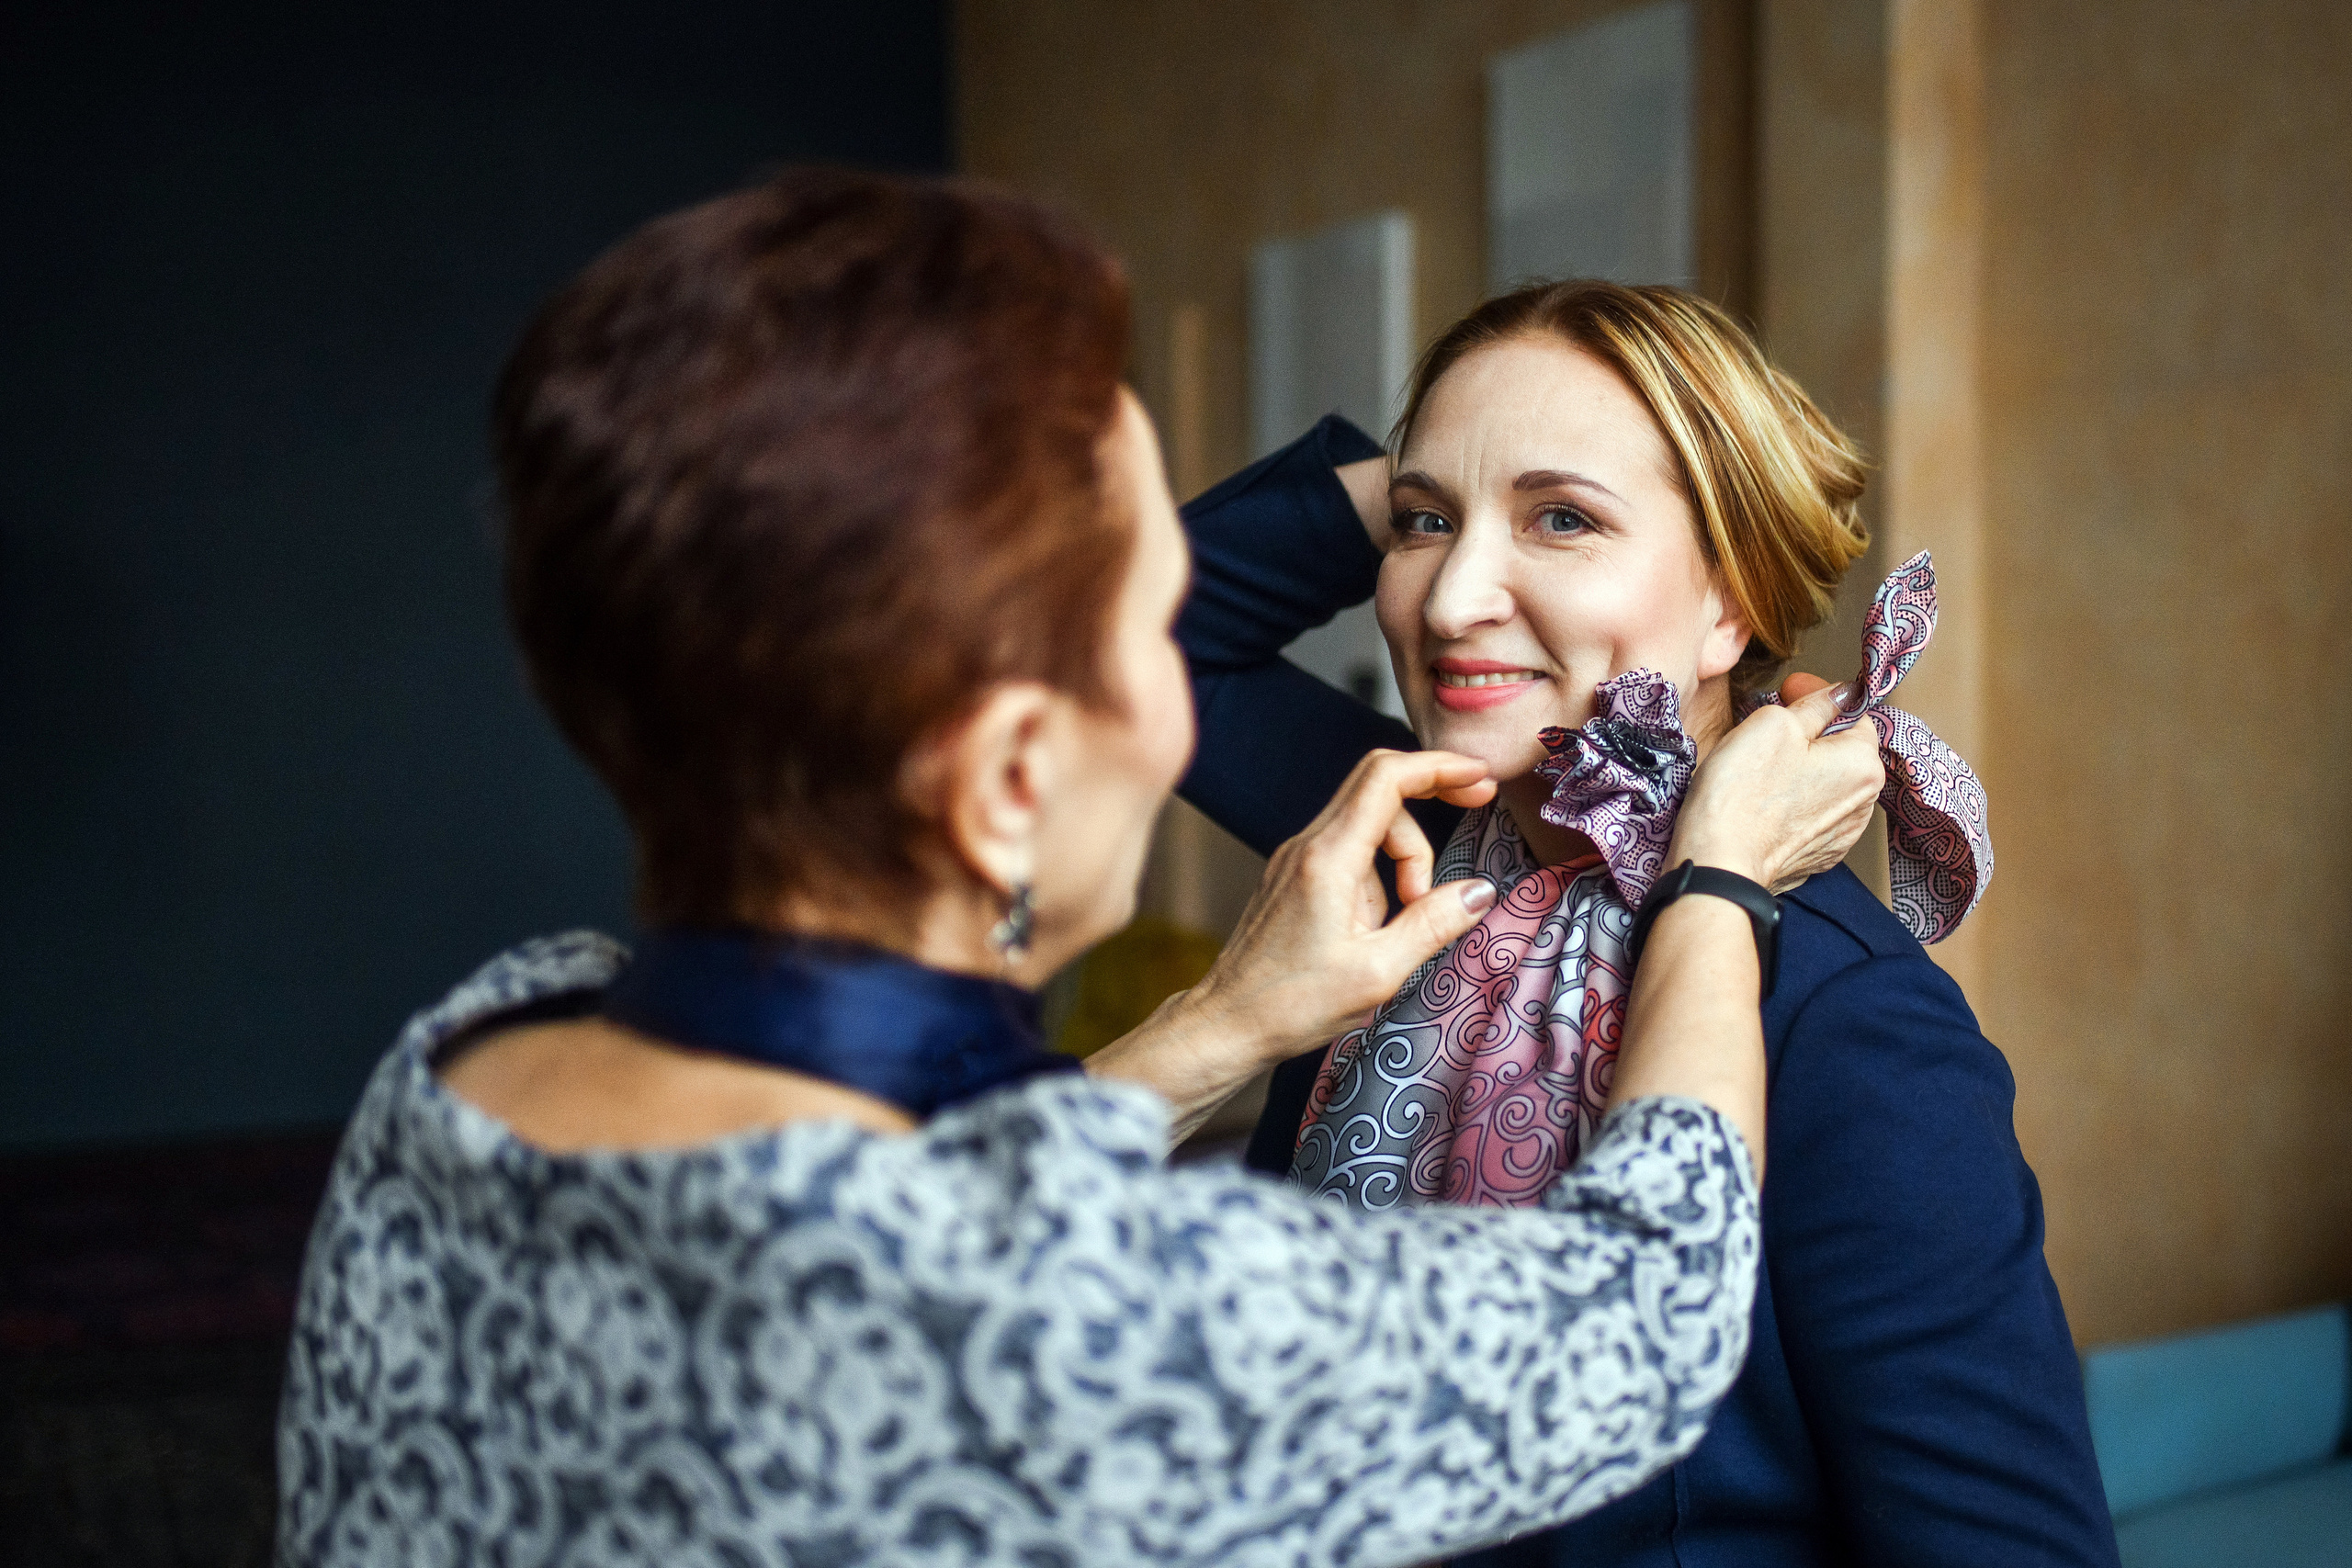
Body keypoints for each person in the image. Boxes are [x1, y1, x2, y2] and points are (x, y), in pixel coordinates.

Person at [274, 174, 1885, 1568]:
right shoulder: (1077, 1318)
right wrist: (1719, 884)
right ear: (1010, 782)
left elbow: (895, 1221)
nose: (1448, 600)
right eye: (1137, 608)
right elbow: (1649, 1310)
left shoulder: (464, 1061)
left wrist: (1215, 1029)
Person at [1175, 282, 2121, 1565]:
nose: (1454, 602)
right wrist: (1437, 463)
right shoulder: (1384, 847)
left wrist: (1460, 479)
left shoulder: (1850, 1020)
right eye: (1424, 525)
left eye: (1562, 518)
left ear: (1730, 600)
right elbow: (1143, 643)